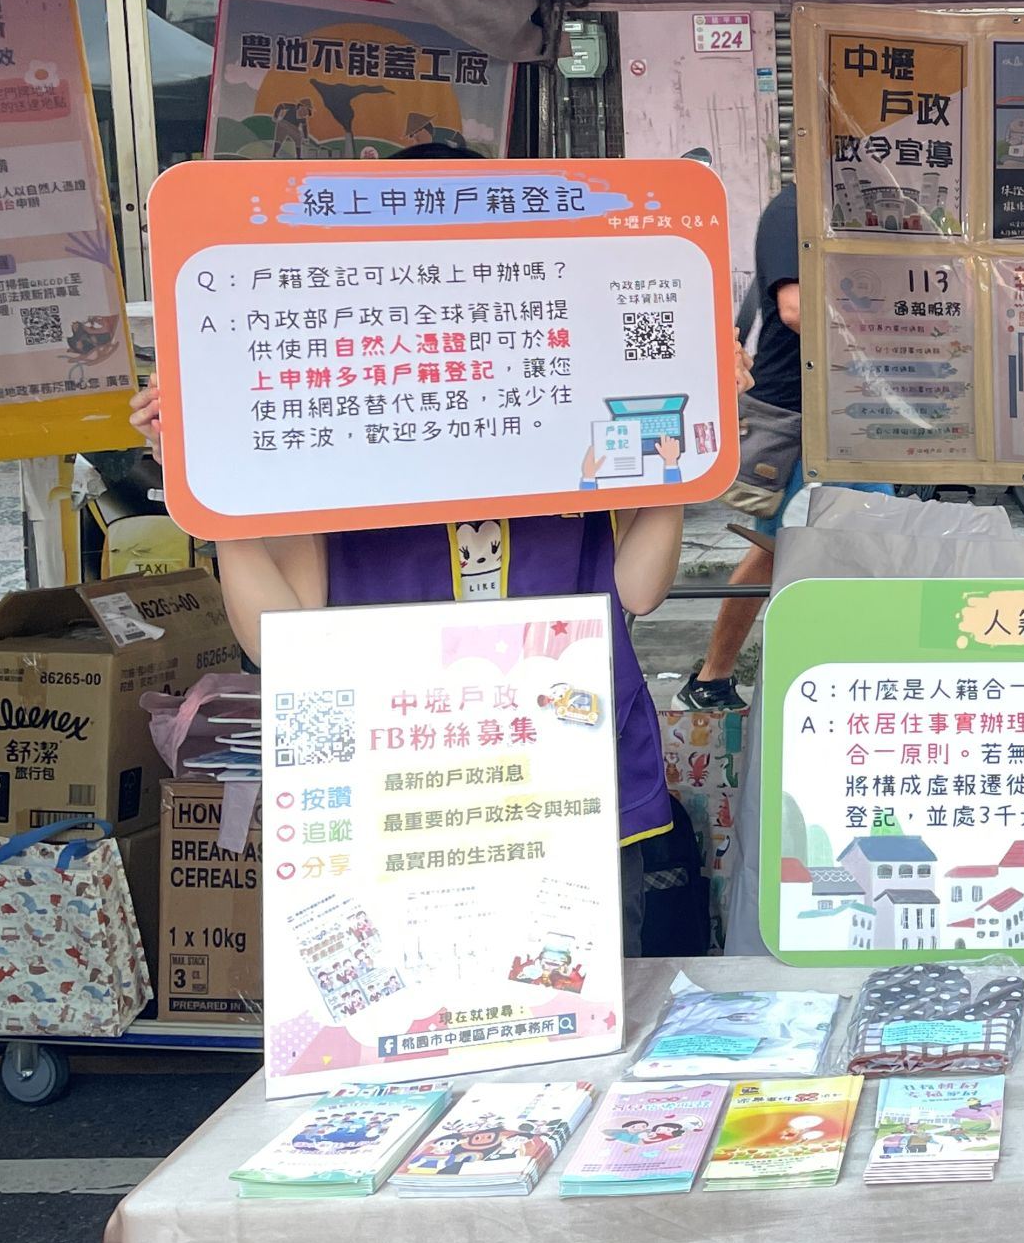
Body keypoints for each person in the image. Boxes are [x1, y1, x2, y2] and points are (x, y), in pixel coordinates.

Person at [129, 141, 711, 954]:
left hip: (568, 781)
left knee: (574, 1003)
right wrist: (212, 477)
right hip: (407, 793)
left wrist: (686, 439)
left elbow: (639, 590)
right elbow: (277, 638)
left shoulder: (573, 414)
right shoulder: (324, 431)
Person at [685, 181, 805, 709]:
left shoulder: (843, 206)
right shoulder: (793, 209)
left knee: (779, 551)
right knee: (779, 551)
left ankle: (713, 678)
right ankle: (713, 677)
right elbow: (795, 309)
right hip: (796, 417)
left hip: (843, 412)